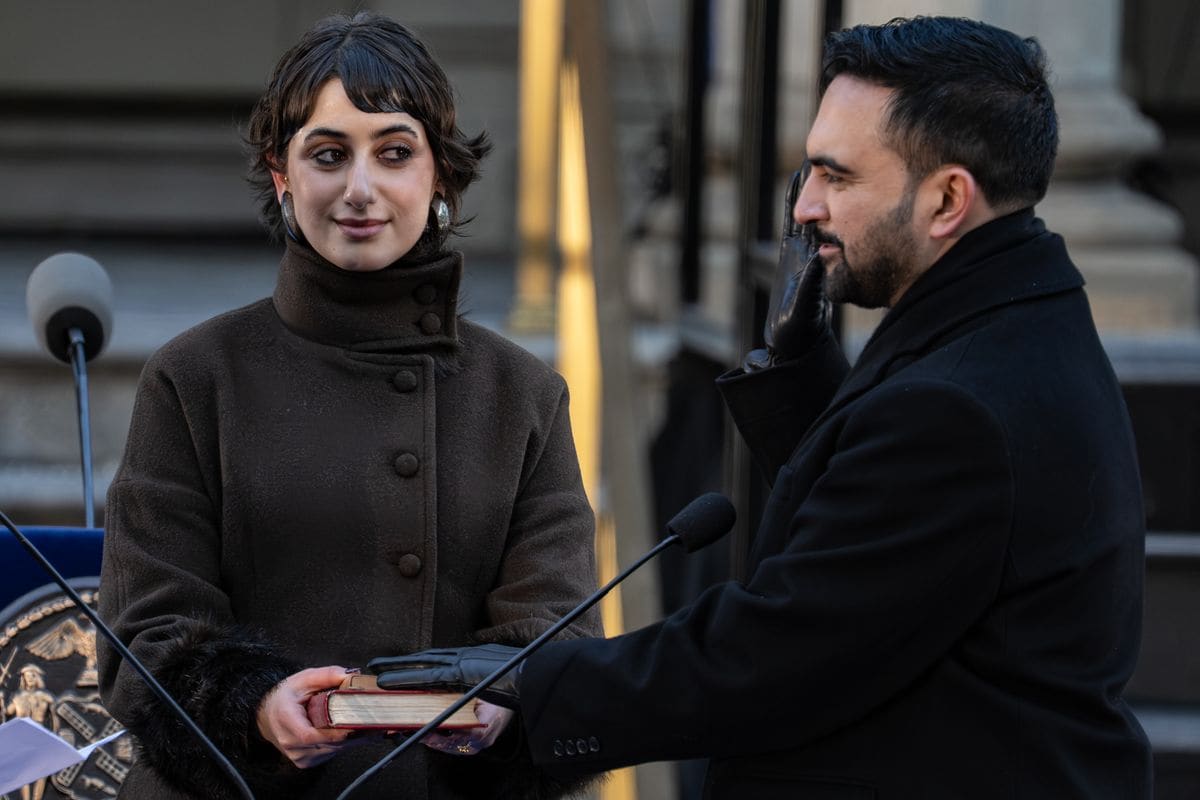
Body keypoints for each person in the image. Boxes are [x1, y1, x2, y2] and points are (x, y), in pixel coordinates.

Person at [372, 16, 1154, 799]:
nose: (805, 206)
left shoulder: (955, 410)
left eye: (836, 176)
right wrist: (799, 373)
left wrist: (527, 687)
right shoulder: (1022, 318)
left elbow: (777, 654)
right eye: (805, 173)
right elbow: (880, 553)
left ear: (948, 198)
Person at [97, 11, 600, 799]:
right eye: (328, 155)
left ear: (438, 174)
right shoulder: (194, 377)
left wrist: (504, 708)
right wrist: (257, 707)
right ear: (281, 175)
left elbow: (558, 635)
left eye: (394, 153)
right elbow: (145, 640)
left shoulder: (523, 395)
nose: (359, 189)